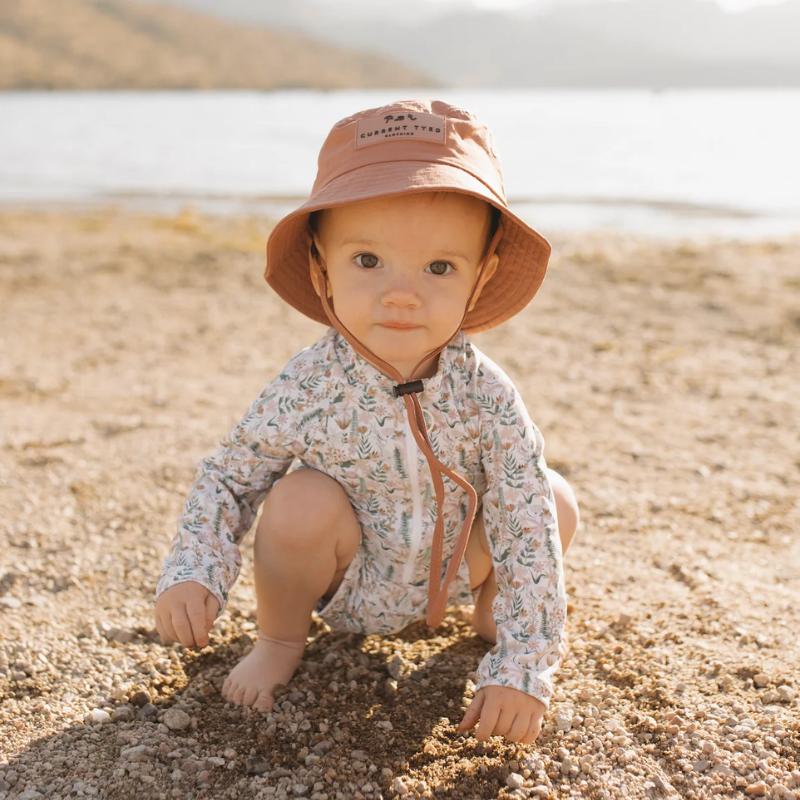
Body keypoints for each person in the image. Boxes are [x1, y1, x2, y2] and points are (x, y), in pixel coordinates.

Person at [154, 99, 579, 745]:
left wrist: (524, 663)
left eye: (440, 267)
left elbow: (524, 521)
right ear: (322, 268)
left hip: (459, 571)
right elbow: (230, 479)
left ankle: (494, 620)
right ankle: (279, 639)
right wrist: (195, 569)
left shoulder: (486, 394)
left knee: (551, 496)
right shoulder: (308, 386)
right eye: (368, 261)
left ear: (481, 276)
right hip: (351, 584)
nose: (401, 293)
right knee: (299, 497)